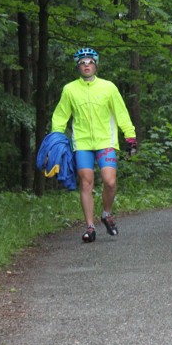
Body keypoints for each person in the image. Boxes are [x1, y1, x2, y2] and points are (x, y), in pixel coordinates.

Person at [51, 47, 138, 243]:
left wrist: (130, 136)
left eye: (90, 62)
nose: (86, 65)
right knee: (86, 181)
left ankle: (106, 214)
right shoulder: (70, 89)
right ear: (78, 67)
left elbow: (121, 113)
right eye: (82, 63)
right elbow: (60, 116)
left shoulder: (108, 87)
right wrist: (56, 139)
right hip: (81, 142)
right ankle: (90, 227)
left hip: (105, 141)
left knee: (110, 182)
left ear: (96, 65)